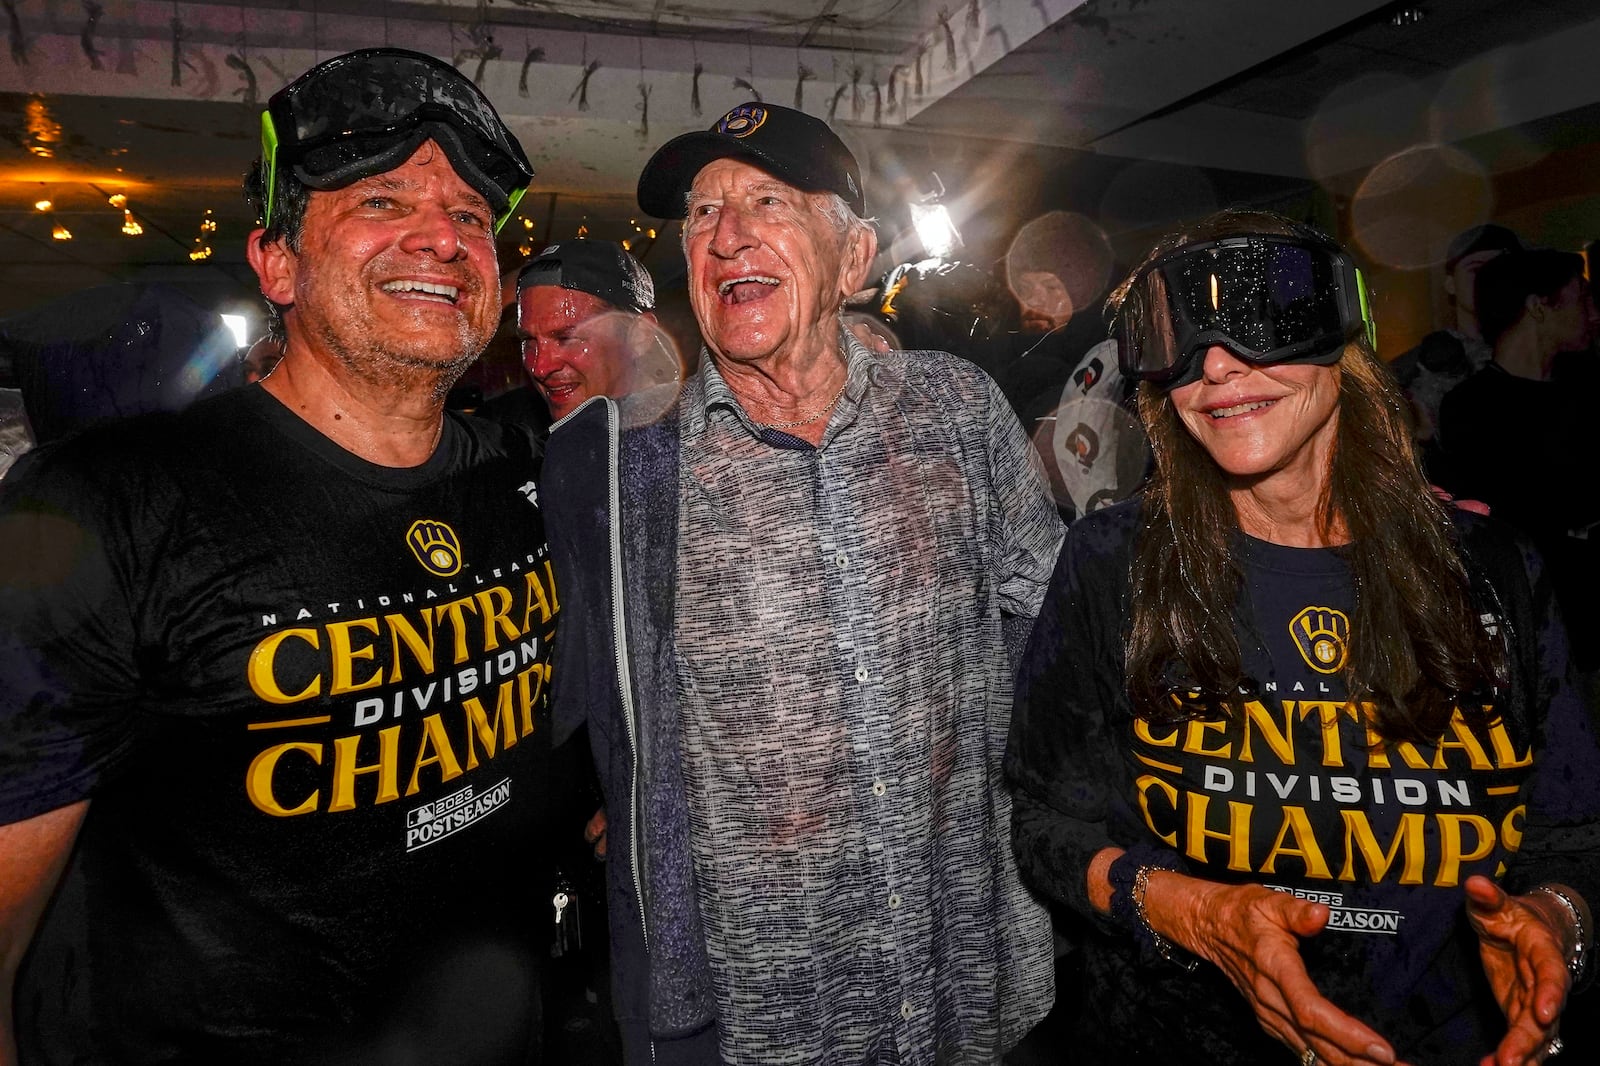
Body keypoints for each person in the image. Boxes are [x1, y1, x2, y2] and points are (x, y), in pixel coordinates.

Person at [0, 47, 557, 1066]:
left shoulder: (525, 473)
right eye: (383, 202)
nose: (442, 236)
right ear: (278, 263)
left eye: (473, 219)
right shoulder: (113, 504)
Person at [1007, 209, 1600, 1065]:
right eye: (1174, 337)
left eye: (1260, 318)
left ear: (1339, 339)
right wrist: (1198, 913)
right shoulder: (1114, 565)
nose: (1214, 365)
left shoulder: (1493, 570)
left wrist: (1555, 925)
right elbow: (1046, 821)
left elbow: (1574, 833)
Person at [543, 101, 1063, 1065]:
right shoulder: (627, 474)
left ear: (853, 256)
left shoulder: (958, 412)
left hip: (972, 973)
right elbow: (586, 703)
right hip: (768, 1012)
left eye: (768, 201)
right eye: (701, 214)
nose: (726, 232)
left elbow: (1054, 627)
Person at [1439, 249, 1600, 674]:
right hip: (1544, 632)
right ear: (1538, 307)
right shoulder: (1471, 407)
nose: (1593, 313)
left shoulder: (1586, 387)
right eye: (1581, 297)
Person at [1387, 223, 1523, 449]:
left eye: (1501, 268)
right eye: (1476, 269)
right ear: (1450, 283)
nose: (1491, 280)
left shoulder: (1548, 358)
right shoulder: (1409, 372)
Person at [515, 239, 678, 422]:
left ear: (640, 335)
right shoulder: (521, 436)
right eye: (529, 341)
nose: (540, 368)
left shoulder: (698, 439)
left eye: (566, 338)